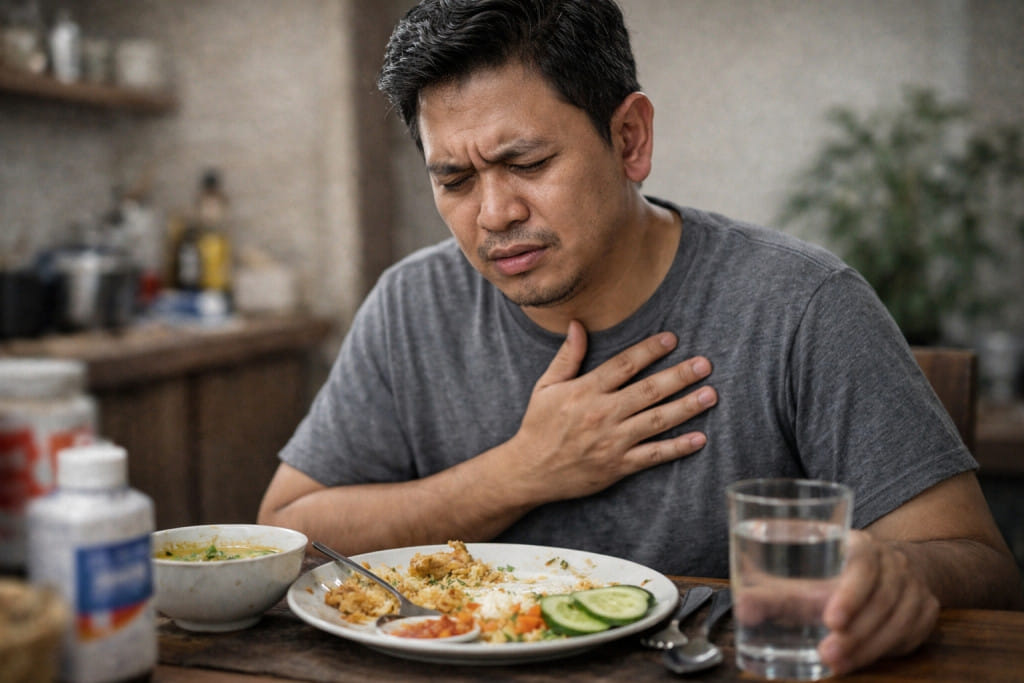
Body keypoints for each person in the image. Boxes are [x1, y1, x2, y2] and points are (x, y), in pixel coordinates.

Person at [259, 0, 1022, 674]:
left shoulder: (801, 305)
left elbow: (984, 566)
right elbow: (287, 530)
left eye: (525, 161)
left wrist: (899, 577)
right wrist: (519, 473)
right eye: (454, 179)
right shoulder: (411, 304)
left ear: (629, 138)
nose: (492, 214)